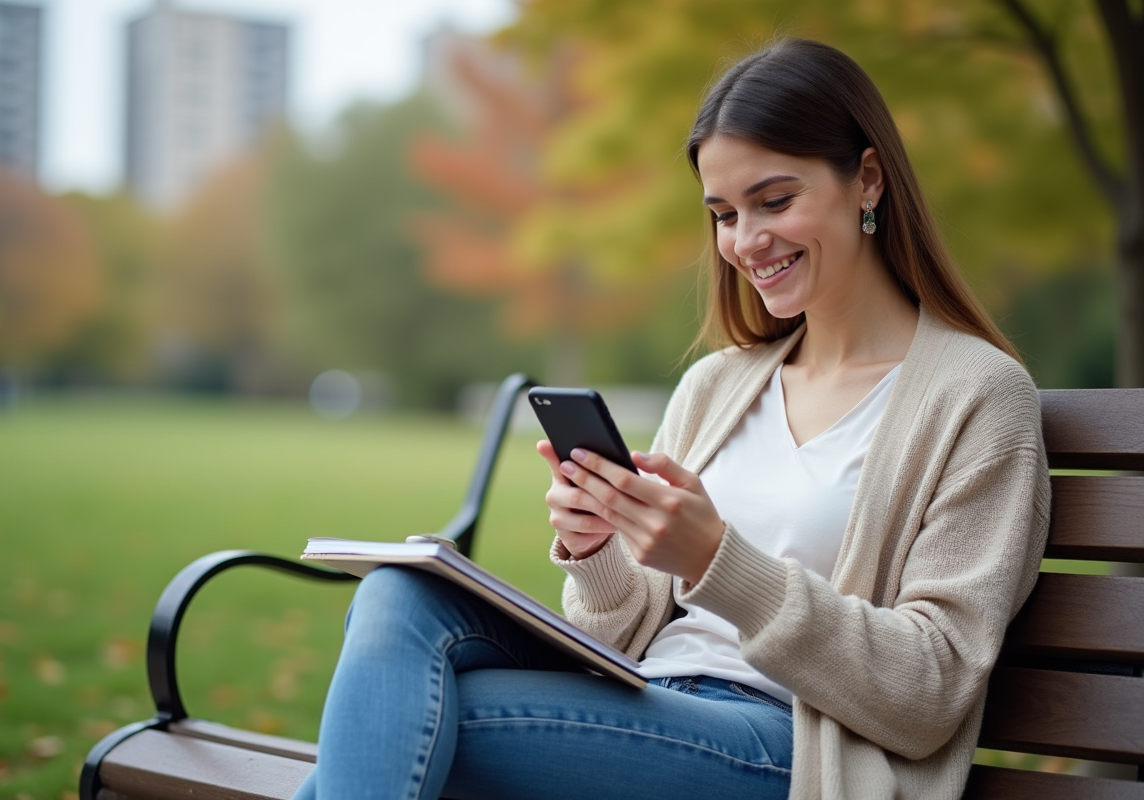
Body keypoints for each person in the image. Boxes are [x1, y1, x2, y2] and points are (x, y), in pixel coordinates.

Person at [293, 38, 1050, 800]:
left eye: (775, 200)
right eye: (723, 213)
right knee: (398, 596)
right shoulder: (717, 386)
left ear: (868, 179)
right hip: (657, 708)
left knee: (410, 719)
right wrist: (596, 551)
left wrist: (719, 561)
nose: (746, 242)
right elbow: (617, 641)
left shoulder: (978, 396)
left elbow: (930, 690)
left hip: (796, 747)